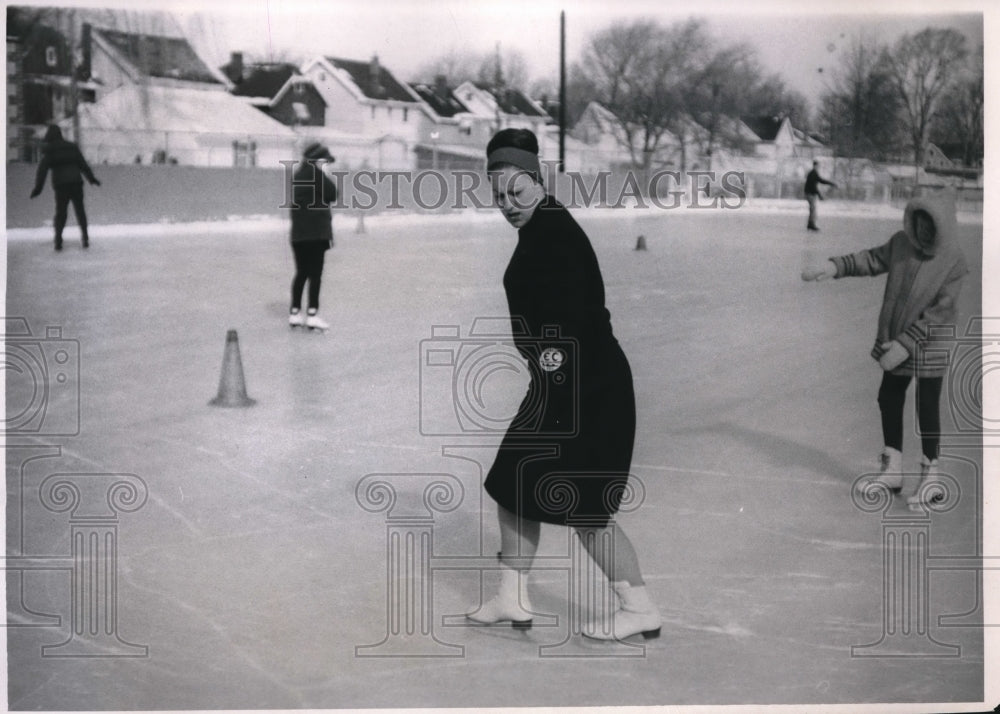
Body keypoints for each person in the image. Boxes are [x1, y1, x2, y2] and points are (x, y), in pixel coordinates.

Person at [466, 128, 661, 641]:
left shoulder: (555, 234)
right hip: (563, 383)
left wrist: (553, 366)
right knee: (513, 482)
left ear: (537, 181)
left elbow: (574, 313)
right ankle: (512, 596)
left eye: (518, 191)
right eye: (499, 194)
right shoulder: (542, 227)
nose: (508, 204)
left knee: (588, 511)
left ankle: (639, 608)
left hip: (587, 388)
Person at [801, 194, 968, 509]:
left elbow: (942, 312)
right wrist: (835, 267)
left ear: (942, 227)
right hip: (895, 342)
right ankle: (892, 468)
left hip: (929, 344)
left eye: (928, 225)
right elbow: (872, 259)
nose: (921, 231)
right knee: (889, 396)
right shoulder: (901, 243)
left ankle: (931, 474)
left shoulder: (954, 260)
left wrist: (907, 344)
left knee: (926, 404)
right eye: (917, 222)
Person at [288, 142, 337, 331]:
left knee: (301, 273)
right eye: (325, 161)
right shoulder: (317, 175)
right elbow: (333, 194)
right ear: (318, 160)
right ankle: (312, 315)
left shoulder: (298, 174)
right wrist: (325, 173)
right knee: (315, 275)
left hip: (298, 234)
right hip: (316, 233)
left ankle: (294, 313)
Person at [29, 125, 101, 251]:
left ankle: (58, 241)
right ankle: (85, 238)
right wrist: (91, 179)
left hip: (61, 185)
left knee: (61, 213)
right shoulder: (72, 147)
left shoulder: (50, 150)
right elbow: (82, 164)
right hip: (76, 183)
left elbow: (42, 171)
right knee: (80, 211)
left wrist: (38, 189)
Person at [804, 160, 837, 232]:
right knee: (813, 209)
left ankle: (810, 224)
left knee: (812, 209)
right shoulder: (813, 173)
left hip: (810, 193)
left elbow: (820, 180)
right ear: (815, 166)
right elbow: (814, 185)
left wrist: (831, 184)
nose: (819, 167)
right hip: (810, 193)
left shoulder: (813, 173)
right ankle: (811, 225)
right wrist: (819, 195)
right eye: (818, 166)